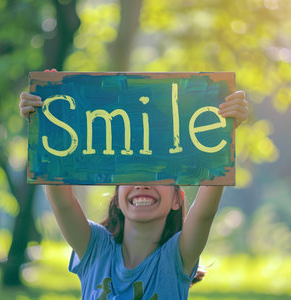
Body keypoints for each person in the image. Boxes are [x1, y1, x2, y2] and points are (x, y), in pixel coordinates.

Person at [19, 71, 248, 299]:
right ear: (117, 197)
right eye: (131, 174)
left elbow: (205, 213)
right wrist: (46, 118)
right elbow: (62, 202)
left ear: (177, 199)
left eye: (159, 175)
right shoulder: (95, 248)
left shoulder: (177, 258)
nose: (143, 183)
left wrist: (224, 131)